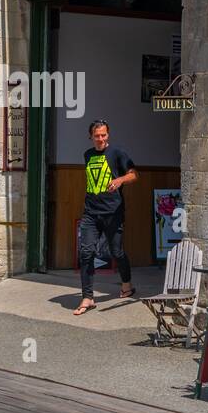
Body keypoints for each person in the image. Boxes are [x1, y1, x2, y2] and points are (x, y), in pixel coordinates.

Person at [75, 120, 138, 315]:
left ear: (108, 135)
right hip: (91, 212)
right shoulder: (88, 155)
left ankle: (126, 285)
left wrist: (120, 180)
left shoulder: (118, 153)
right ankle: (87, 297)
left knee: (116, 252)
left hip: (113, 211)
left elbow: (134, 174)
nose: (100, 139)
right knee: (86, 252)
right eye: (97, 136)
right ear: (91, 136)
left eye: (103, 135)